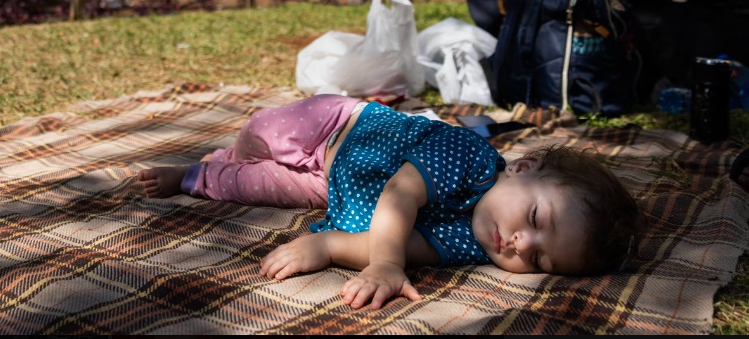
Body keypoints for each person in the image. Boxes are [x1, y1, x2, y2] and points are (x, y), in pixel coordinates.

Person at [138, 95, 644, 310]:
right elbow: (399, 199)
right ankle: (233, 151)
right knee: (261, 134)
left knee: (254, 185)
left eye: (538, 259)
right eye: (535, 219)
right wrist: (384, 261)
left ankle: (193, 175)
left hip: (330, 185)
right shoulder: (468, 154)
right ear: (524, 167)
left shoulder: (473, 246)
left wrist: (329, 245)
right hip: (336, 126)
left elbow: (404, 250)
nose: (518, 243)